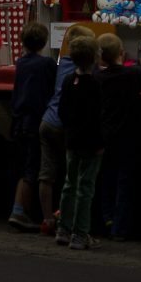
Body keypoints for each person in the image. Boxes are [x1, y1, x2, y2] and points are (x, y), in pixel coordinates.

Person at [93, 32, 141, 241]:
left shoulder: (97, 77)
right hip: (128, 136)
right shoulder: (134, 74)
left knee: (105, 179)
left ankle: (106, 220)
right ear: (122, 53)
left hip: (103, 136)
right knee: (125, 182)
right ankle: (120, 227)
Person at [37, 24, 95, 234]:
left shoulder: (61, 64)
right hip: (71, 129)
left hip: (47, 121)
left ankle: (47, 219)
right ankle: (70, 221)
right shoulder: (91, 72)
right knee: (75, 178)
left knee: (47, 173)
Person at [55, 36, 104, 250]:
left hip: (72, 140)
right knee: (86, 188)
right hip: (91, 143)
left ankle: (63, 229)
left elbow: (62, 111)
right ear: (95, 57)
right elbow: (100, 115)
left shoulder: (68, 81)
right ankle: (80, 233)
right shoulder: (97, 83)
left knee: (69, 184)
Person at [7, 21, 56, 232]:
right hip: (35, 121)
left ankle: (20, 209)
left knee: (24, 167)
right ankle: (19, 211)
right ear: (44, 42)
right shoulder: (46, 64)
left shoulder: (20, 63)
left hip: (19, 121)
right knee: (32, 169)